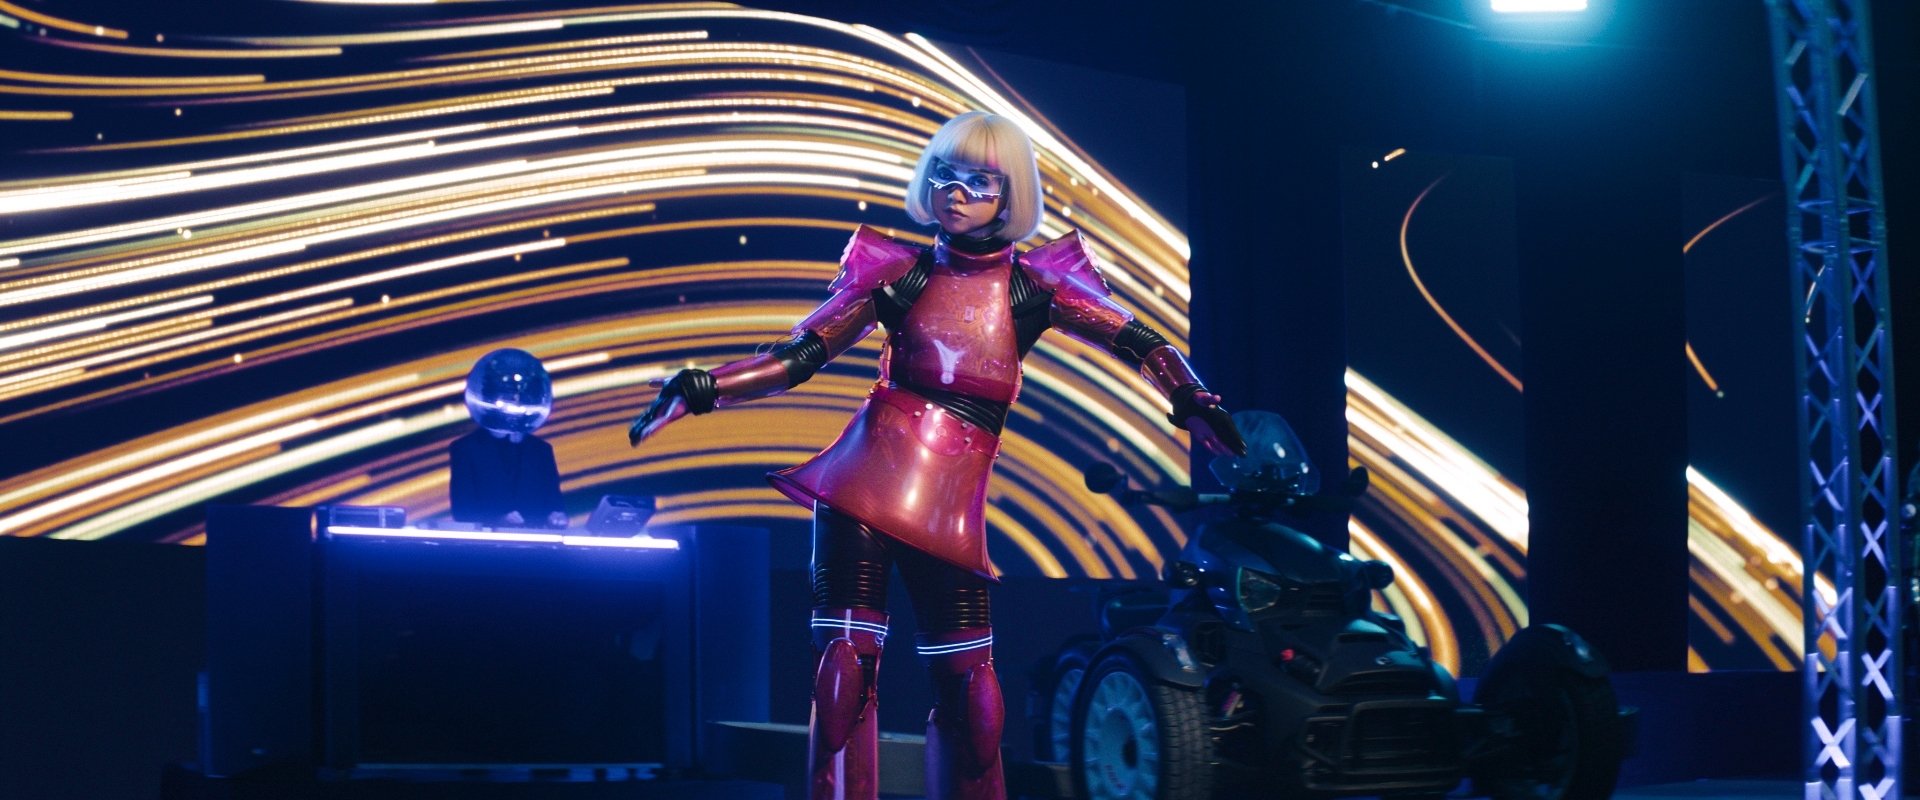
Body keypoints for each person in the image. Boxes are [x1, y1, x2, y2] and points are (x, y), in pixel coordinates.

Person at [627, 111, 1244, 800]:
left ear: (1009, 195)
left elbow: (1138, 339)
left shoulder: (1033, 286)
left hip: (949, 512)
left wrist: (1192, 397)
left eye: (977, 180)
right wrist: (706, 386)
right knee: (842, 681)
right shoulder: (901, 275)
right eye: (945, 175)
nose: (955, 192)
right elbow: (800, 354)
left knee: (974, 707)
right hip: (860, 491)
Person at [449, 348, 568, 529]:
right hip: (488, 544)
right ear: (490, 395)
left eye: (519, 396)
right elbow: (462, 511)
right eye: (506, 395)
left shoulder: (542, 450)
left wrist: (556, 517)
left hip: (534, 544)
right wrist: (498, 521)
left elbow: (554, 504)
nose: (514, 401)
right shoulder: (466, 449)